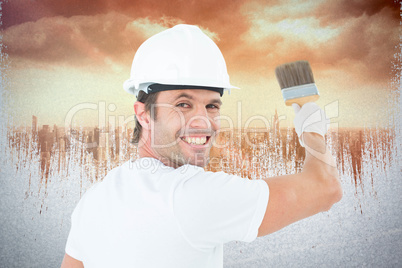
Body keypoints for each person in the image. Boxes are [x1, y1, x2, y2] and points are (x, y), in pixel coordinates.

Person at [61, 24, 342, 268]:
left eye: (211, 106)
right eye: (183, 104)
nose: (202, 122)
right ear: (143, 114)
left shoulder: (94, 200)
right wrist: (311, 124)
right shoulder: (189, 195)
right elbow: (326, 187)